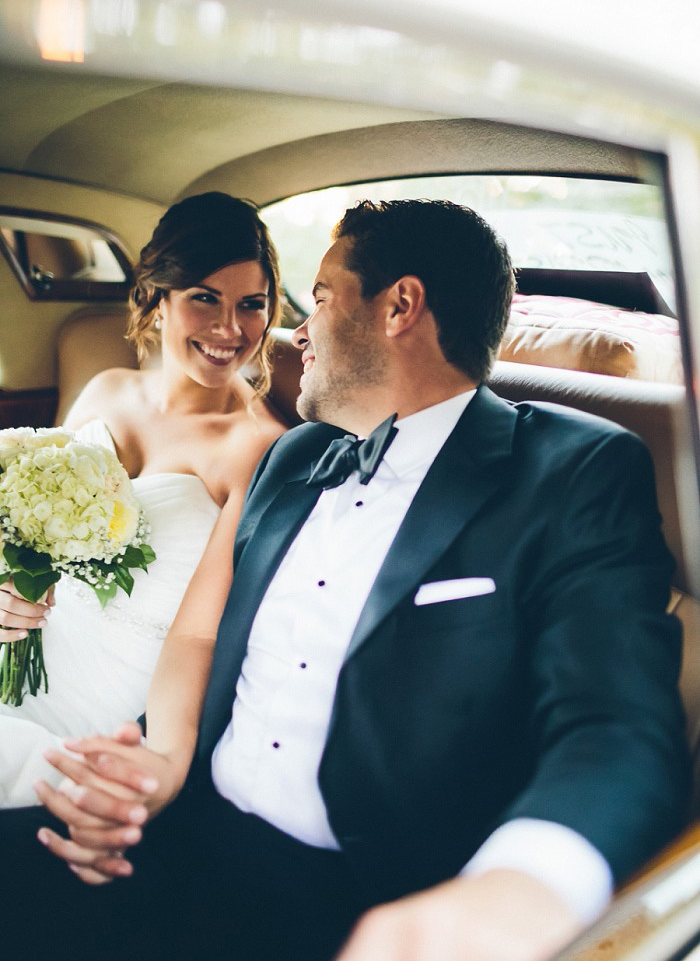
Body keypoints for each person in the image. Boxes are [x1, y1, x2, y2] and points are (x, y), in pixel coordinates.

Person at [24, 200, 690, 961]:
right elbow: (202, 630)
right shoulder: (291, 459)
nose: (293, 333)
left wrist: (521, 890)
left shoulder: (574, 470)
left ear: (400, 305)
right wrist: (162, 763)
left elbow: (615, 724)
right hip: (181, 834)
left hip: (366, 898)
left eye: (321, 298)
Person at [0, 191, 286, 807]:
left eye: (251, 305)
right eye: (205, 298)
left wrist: (163, 758)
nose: (230, 329)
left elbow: (207, 637)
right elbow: (29, 533)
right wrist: (11, 588)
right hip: (29, 647)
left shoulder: (258, 450)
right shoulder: (104, 390)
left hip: (124, 688)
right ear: (157, 300)